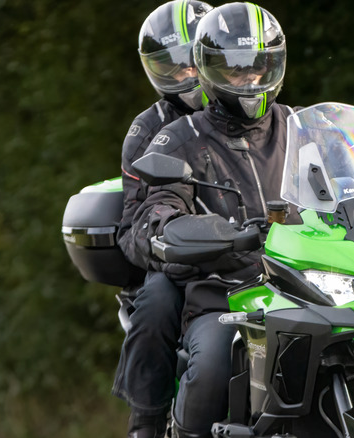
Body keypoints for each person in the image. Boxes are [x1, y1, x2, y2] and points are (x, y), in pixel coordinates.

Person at [129, 3, 301, 437]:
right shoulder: (167, 135)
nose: (251, 81)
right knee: (179, 326)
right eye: (237, 70)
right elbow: (150, 209)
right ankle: (148, 421)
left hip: (303, 280)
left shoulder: (299, 126)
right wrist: (172, 230)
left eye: (259, 68)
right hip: (217, 283)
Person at [113, 2, 213, 438]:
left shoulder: (264, 115)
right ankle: (147, 421)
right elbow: (133, 223)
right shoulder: (147, 131)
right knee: (154, 303)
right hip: (180, 261)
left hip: (268, 249)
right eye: (170, 68)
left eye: (192, 62)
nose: (186, 76)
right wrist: (167, 246)